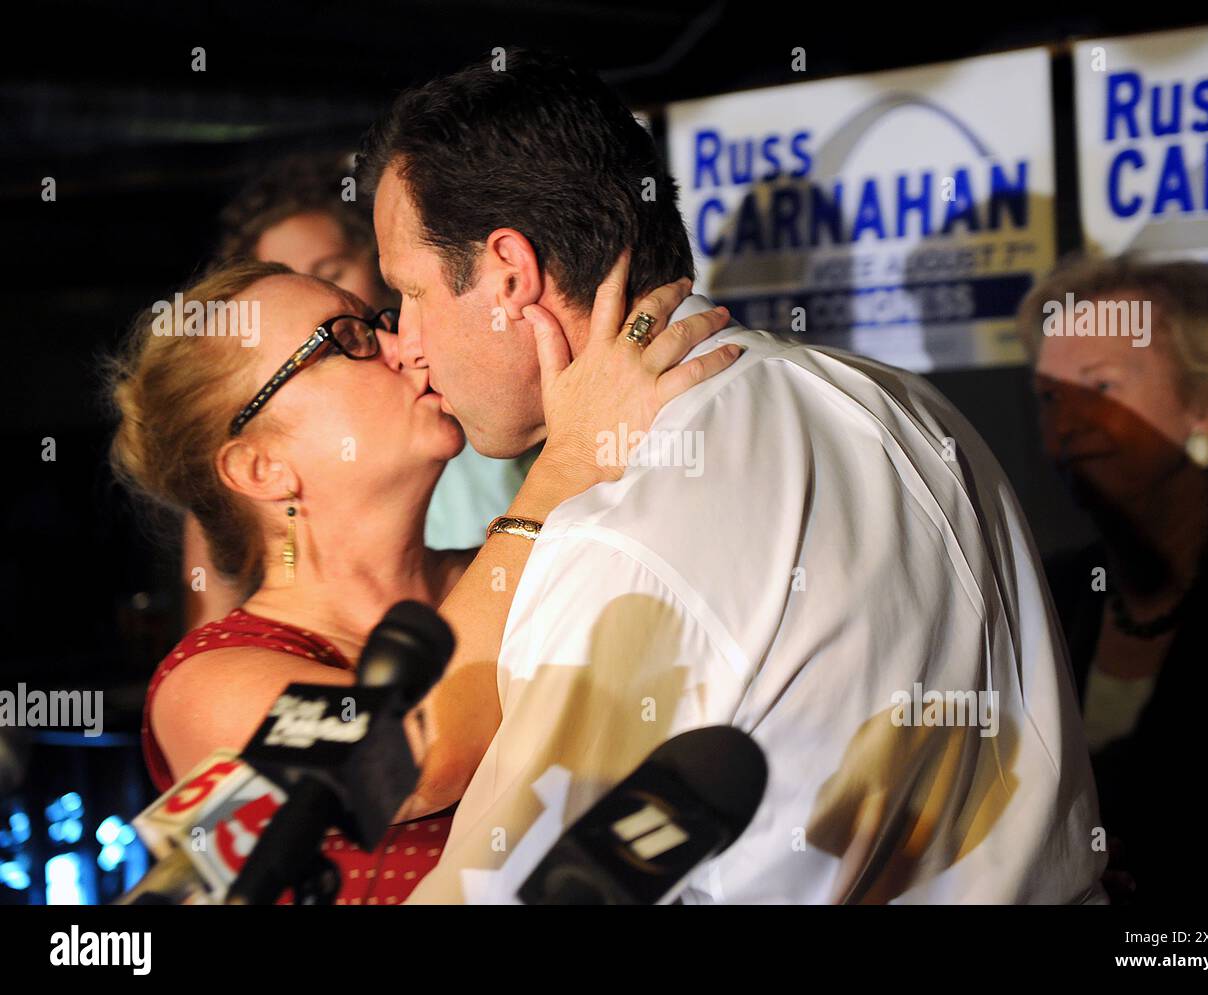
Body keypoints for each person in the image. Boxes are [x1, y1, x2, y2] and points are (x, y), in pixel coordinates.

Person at [359, 48, 1107, 904]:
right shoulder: (905, 404)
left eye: (410, 291)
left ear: (509, 274)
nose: (406, 341)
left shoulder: (617, 532)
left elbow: (502, 887)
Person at [106, 254, 738, 903]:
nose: (407, 344)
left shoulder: (539, 562)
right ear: (260, 466)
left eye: (380, 318)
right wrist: (572, 457)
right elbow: (419, 758)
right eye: (346, 339)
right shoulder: (201, 688)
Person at [1020, 254, 1208, 903]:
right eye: (1050, 396)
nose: (1066, 423)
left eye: (1102, 387)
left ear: (1206, 404)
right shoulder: (1042, 594)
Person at [184, 154, 537, 629]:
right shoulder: (223, 679)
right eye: (334, 344)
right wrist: (570, 468)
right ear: (258, 468)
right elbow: (433, 705)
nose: (399, 348)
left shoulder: (482, 391)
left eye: (329, 270)